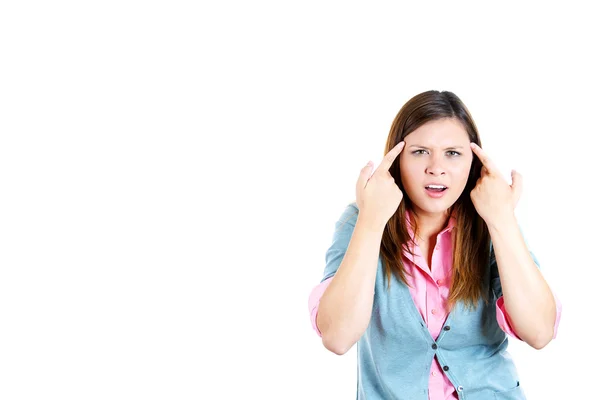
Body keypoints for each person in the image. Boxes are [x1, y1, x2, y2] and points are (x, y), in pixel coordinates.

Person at [307, 90, 562, 400]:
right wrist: (372, 222)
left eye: (452, 153)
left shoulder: (491, 220)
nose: (436, 168)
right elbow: (337, 337)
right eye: (419, 152)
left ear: (473, 161)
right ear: (397, 159)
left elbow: (539, 332)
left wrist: (502, 221)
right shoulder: (360, 220)